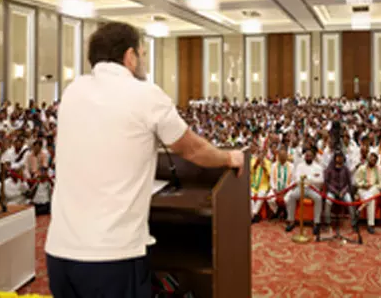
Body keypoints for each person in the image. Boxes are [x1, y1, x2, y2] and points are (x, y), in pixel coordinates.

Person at [45, 22, 244, 298]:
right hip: (112, 256)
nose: (143, 61)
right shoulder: (145, 94)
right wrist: (229, 157)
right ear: (129, 56)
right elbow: (192, 150)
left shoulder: (72, 91)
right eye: (142, 53)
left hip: (59, 252)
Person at [284, 147, 324, 235]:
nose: (308, 157)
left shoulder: (318, 167)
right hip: (301, 188)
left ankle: (316, 223)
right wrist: (309, 180)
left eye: (310, 156)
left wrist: (309, 179)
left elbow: (320, 180)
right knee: (291, 196)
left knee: (318, 198)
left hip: (313, 189)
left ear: (313, 157)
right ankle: (291, 221)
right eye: (307, 156)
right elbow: (297, 179)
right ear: (304, 156)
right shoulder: (300, 166)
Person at [323, 151, 357, 231]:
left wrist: (343, 191)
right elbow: (327, 183)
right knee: (328, 201)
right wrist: (335, 192)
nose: (339, 159)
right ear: (335, 158)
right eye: (338, 157)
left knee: (349, 201)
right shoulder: (329, 169)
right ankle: (327, 223)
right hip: (332, 191)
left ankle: (354, 223)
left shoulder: (346, 169)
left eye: (341, 157)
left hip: (343, 191)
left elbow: (349, 183)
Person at [355, 152, 381, 234]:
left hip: (374, 189)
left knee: (372, 193)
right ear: (368, 159)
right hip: (362, 189)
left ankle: (361, 208)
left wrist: (372, 187)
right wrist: (364, 185)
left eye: (374, 160)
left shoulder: (378, 170)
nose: (372, 160)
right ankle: (370, 225)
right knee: (371, 200)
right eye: (371, 158)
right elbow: (357, 182)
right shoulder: (361, 168)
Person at [268, 147, 294, 217]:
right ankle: (276, 211)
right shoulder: (274, 165)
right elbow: (271, 179)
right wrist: (275, 190)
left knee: (287, 199)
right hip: (276, 189)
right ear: (278, 156)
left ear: (287, 156)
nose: (282, 157)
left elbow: (293, 181)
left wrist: (286, 190)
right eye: (281, 155)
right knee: (270, 199)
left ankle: (286, 211)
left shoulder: (291, 166)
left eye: (284, 155)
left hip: (287, 190)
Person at [250, 150, 271, 223]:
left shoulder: (268, 162)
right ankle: (254, 215)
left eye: (262, 154)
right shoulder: (253, 160)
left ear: (264, 154)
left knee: (261, 196)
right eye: (259, 153)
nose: (260, 155)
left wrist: (264, 167)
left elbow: (270, 174)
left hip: (263, 185)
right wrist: (256, 164)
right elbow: (250, 171)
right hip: (253, 184)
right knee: (250, 196)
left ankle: (253, 213)